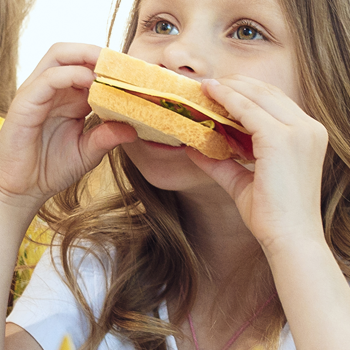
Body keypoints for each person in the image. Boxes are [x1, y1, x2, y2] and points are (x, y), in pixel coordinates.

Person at [2, 0, 350, 349]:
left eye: (247, 31)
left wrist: (297, 243)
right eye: (161, 25)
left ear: (331, 83)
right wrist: (11, 198)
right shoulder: (93, 263)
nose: (176, 52)